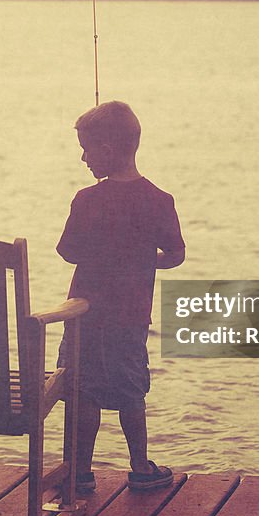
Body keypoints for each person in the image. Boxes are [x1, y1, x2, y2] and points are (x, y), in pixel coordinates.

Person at [56, 101, 185, 493]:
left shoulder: (86, 199)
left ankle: (80, 473)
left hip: (85, 316)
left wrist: (102, 251)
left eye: (86, 148)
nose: (82, 157)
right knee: (131, 391)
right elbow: (175, 254)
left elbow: (68, 251)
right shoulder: (160, 200)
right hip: (129, 317)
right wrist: (145, 262)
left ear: (107, 151)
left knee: (82, 391)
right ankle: (141, 467)